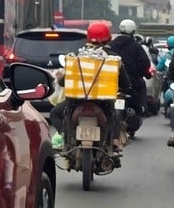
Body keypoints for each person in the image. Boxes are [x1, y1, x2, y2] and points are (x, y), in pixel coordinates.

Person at [50, 21, 134, 151]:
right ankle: (115, 141)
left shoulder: (78, 57)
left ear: (88, 37)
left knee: (55, 113)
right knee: (115, 115)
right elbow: (125, 83)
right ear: (108, 38)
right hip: (104, 103)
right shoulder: (114, 59)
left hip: (76, 101)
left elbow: (63, 82)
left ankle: (65, 137)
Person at [107, 19, 152, 129]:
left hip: (111, 83)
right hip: (131, 83)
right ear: (133, 31)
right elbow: (145, 64)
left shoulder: (110, 46)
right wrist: (145, 74)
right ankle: (142, 109)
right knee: (141, 86)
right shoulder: (136, 46)